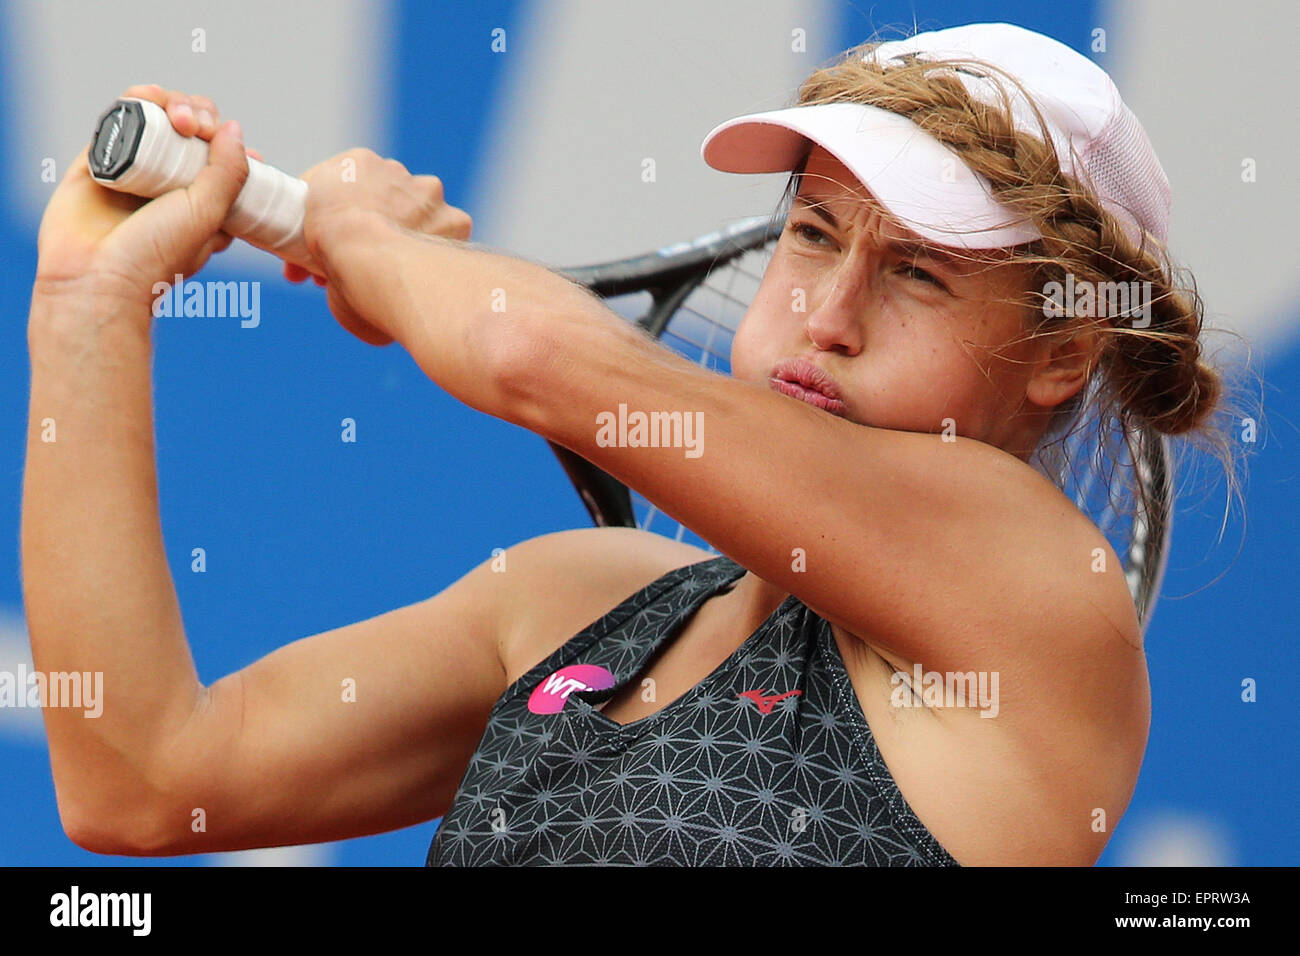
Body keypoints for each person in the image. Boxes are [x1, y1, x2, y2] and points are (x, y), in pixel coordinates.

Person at [24, 22, 1237, 866]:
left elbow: (536, 360)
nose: (828, 314)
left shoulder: (1034, 587)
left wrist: (370, 242)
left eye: (916, 270)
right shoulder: (573, 600)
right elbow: (142, 777)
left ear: (1062, 354)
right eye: (812, 233)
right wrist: (87, 303)